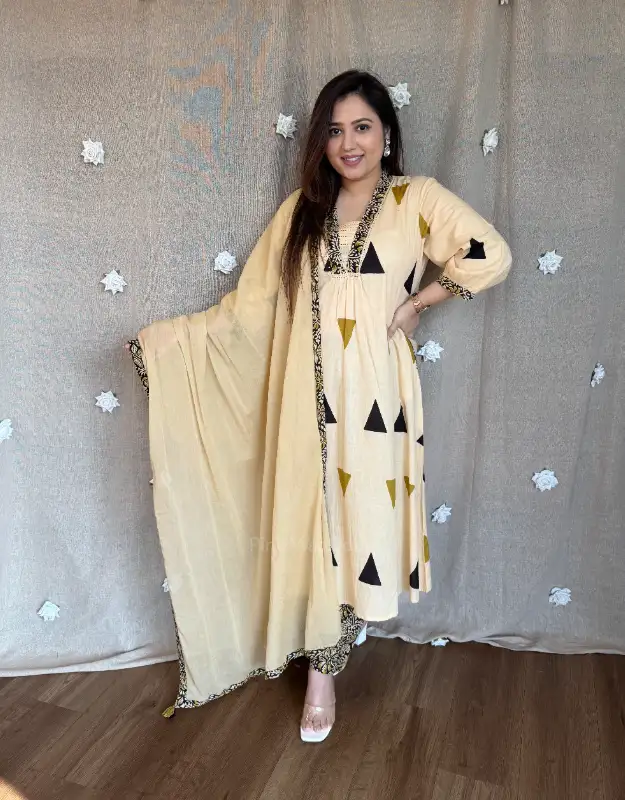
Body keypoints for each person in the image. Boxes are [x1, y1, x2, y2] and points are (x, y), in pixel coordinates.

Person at [126, 69, 511, 743]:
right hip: (301, 397)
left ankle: (330, 656)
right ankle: (320, 675)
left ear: (386, 133)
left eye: (362, 127)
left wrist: (419, 303)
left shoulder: (416, 199)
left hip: (376, 398)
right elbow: (247, 308)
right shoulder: (299, 213)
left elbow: (490, 254)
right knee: (313, 524)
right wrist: (168, 347)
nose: (348, 143)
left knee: (358, 523)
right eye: (334, 131)